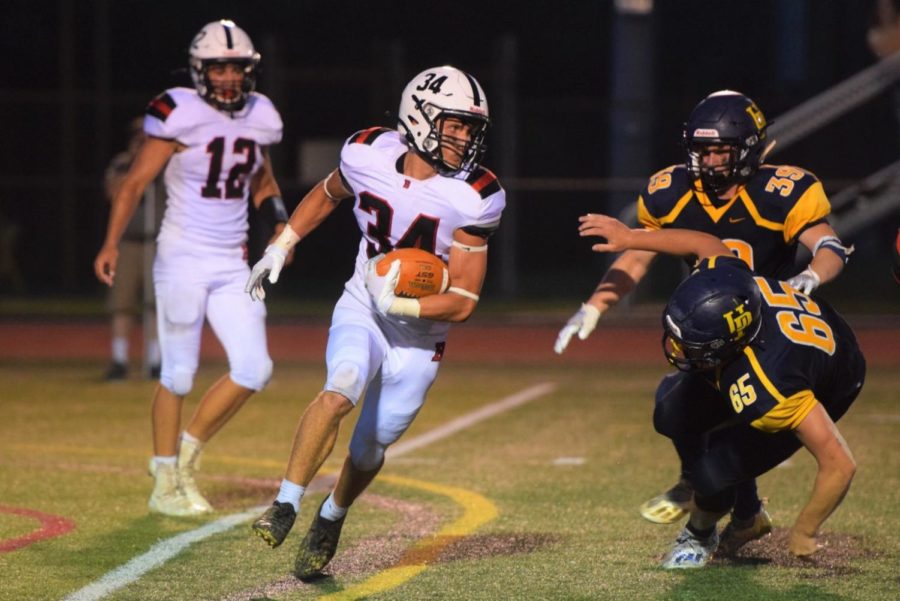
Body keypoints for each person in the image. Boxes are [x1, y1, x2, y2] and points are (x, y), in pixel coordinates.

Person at [554, 90, 853, 554]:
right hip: (709, 329)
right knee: (672, 408)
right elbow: (641, 254)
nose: (711, 162)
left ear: (750, 150)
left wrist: (813, 275)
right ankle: (719, 494)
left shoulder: (782, 192)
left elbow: (830, 245)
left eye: (722, 151)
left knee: (736, 432)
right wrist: (595, 304)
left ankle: (716, 510)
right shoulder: (671, 191)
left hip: (765, 339)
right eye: (702, 150)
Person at [244, 65, 504, 580]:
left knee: (371, 445)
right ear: (419, 117)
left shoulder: (477, 193)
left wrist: (403, 305)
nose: (465, 138)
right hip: (363, 303)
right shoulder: (368, 152)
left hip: (421, 331)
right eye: (455, 125)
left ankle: (333, 515)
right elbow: (327, 193)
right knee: (339, 388)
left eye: (471, 129)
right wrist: (283, 242)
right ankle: (286, 503)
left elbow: (466, 298)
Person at [578, 213, 865, 568]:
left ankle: (701, 533)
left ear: (722, 348)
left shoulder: (772, 388)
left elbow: (839, 464)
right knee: (670, 410)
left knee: (713, 473)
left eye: (690, 346)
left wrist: (805, 530)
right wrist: (630, 237)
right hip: (771, 342)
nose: (677, 350)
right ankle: (741, 509)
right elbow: (703, 242)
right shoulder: (730, 278)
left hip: (829, 376)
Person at [93, 19, 290, 517]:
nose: (228, 78)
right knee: (178, 374)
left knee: (254, 368)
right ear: (201, 71)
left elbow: (262, 182)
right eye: (219, 68)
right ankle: (165, 480)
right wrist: (111, 242)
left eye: (236, 69)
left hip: (232, 261)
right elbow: (136, 182)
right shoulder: (177, 112)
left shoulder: (259, 116)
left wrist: (282, 226)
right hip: (182, 256)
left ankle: (181, 456)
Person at [102, 117, 164, 381]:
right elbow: (114, 193)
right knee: (122, 303)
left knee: (157, 305)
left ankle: (155, 359)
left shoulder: (167, 162)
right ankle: (119, 358)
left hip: (159, 243)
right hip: (129, 242)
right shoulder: (121, 163)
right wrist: (135, 167)